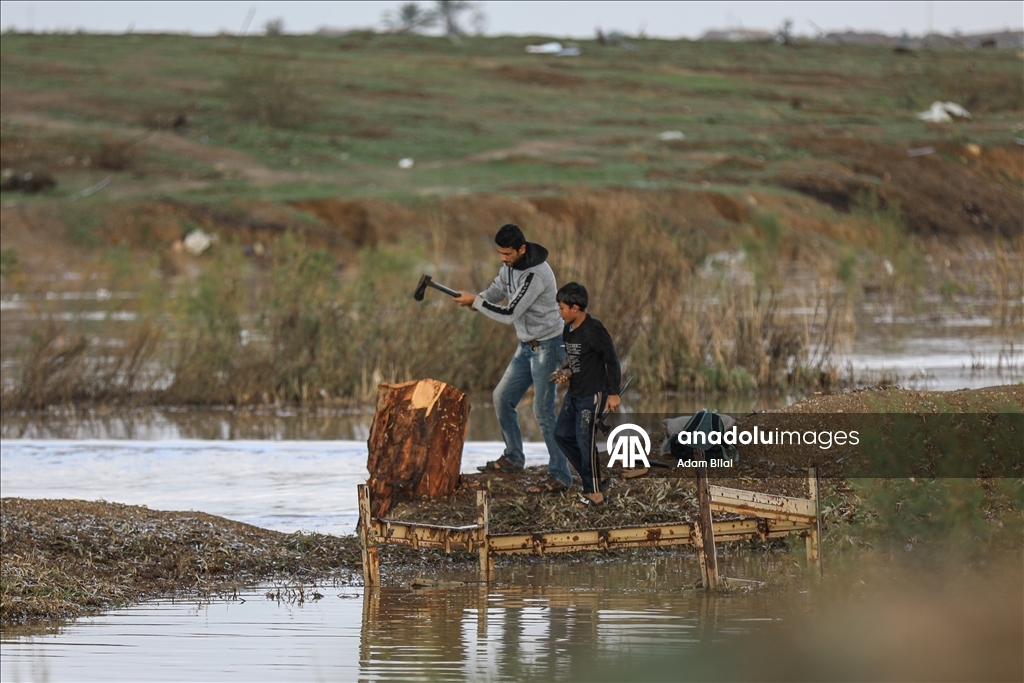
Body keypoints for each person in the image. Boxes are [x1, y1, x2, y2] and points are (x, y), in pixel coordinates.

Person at [453, 223, 573, 491]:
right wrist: (478, 300)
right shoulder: (509, 266)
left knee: (543, 411)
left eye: (507, 254)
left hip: (549, 346)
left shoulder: (536, 275)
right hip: (527, 345)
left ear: (522, 249)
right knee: (502, 398)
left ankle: (561, 475)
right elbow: (498, 289)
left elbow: (510, 313)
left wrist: (477, 303)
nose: (502, 258)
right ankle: (514, 457)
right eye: (499, 253)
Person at [552, 282, 621, 506]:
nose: (559, 312)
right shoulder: (568, 330)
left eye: (562, 308)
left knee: (585, 440)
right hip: (574, 393)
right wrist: (565, 373)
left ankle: (594, 493)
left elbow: (612, 360)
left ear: (575, 308)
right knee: (561, 434)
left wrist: (613, 393)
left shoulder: (594, 330)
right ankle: (594, 476)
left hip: (593, 394)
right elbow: (575, 361)